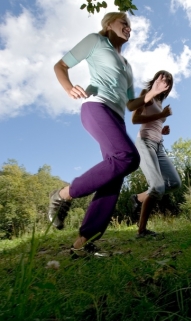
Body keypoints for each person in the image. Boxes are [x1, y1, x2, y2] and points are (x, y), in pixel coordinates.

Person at [50, 12, 170, 256]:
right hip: (96, 107)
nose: (128, 28)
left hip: (117, 117)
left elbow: (130, 104)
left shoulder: (127, 66)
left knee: (115, 175)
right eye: (124, 23)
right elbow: (60, 65)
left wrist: (153, 92)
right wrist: (69, 87)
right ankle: (62, 195)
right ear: (108, 24)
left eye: (130, 26)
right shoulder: (96, 41)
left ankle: (83, 245)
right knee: (128, 157)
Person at [130, 70, 182, 238]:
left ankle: (138, 198)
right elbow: (135, 120)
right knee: (158, 186)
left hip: (158, 145)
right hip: (144, 142)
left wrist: (162, 130)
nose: (165, 81)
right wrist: (161, 115)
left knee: (174, 183)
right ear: (156, 79)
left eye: (168, 81)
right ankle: (142, 231)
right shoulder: (147, 94)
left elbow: (153, 122)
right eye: (162, 77)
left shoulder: (159, 103)